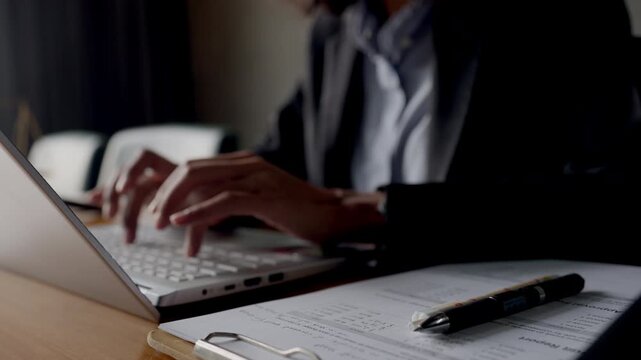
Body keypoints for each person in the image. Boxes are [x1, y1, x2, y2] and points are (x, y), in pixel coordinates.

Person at [97, 0, 638, 267]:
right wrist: (207, 190)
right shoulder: (335, 32)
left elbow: (607, 200)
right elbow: (286, 164)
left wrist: (363, 211)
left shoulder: (560, 13)